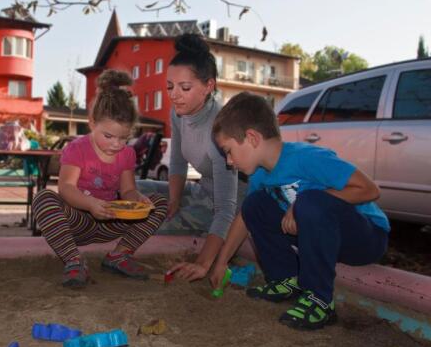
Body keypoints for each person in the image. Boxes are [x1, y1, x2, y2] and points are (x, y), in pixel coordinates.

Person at [209, 92, 389, 330]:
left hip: (366, 237)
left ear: (251, 137)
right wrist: (221, 262)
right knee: (254, 206)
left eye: (228, 151)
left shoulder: (307, 158)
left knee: (309, 202)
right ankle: (286, 278)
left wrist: (302, 203)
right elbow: (244, 218)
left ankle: (320, 299)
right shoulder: (260, 173)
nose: (229, 162)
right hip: (323, 236)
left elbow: (369, 189)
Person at [32, 69, 168, 288]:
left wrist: (138, 198)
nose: (116, 144)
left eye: (123, 138)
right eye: (108, 136)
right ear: (92, 123)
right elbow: (66, 188)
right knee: (43, 199)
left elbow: (127, 191)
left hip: (111, 220)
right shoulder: (77, 149)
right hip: (77, 221)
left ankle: (119, 256)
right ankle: (74, 261)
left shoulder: (127, 154)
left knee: (158, 203)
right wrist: (90, 204)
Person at [137, 33, 238, 282]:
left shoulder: (220, 129)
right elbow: (179, 162)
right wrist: (174, 199)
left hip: (229, 205)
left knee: (147, 224)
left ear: (209, 86)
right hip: (201, 189)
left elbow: (226, 209)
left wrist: (203, 263)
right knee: (132, 188)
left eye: (185, 88)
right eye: (170, 86)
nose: (174, 95)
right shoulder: (178, 112)